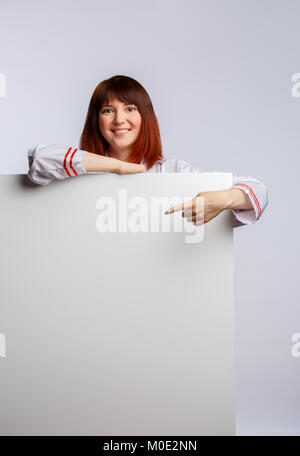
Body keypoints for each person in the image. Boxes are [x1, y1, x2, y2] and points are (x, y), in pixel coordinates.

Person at [27, 75, 268, 227]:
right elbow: (39, 160)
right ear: (96, 120)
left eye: (130, 108)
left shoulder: (171, 172)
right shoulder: (81, 173)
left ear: (145, 118)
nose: (119, 119)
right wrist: (116, 167)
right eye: (108, 110)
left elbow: (258, 190)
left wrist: (225, 199)